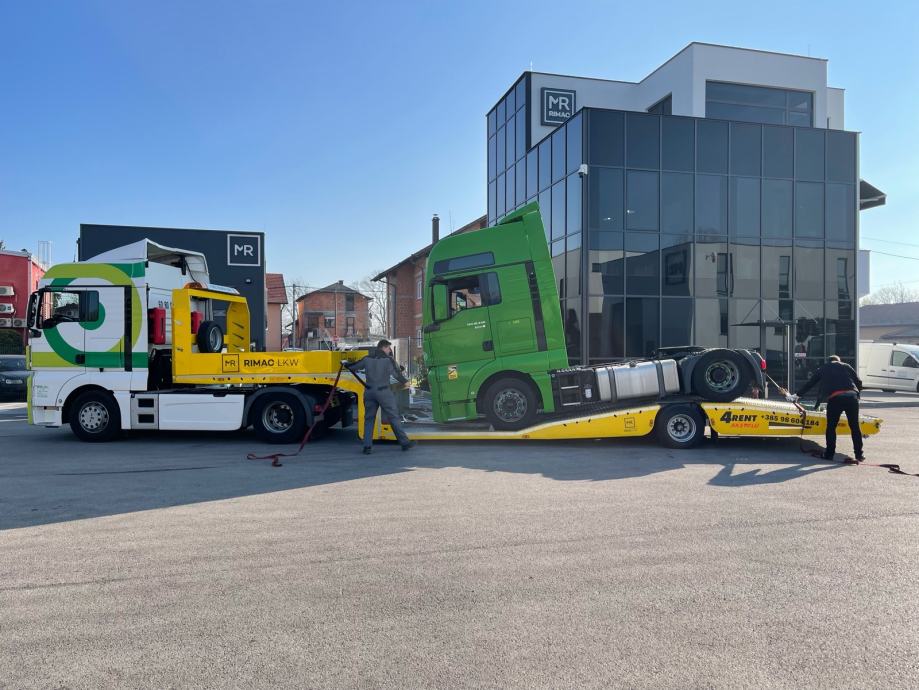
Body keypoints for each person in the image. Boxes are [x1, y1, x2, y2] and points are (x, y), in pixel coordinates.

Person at [788, 355, 864, 460]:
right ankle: (859, 455)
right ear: (839, 361)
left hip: (836, 398)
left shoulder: (823, 368)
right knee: (854, 426)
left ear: (828, 362)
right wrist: (857, 395)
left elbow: (810, 383)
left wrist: (797, 395)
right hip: (852, 397)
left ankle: (829, 454)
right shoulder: (846, 366)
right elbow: (859, 382)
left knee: (831, 427)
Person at [348, 340, 416, 455]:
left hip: (369, 392)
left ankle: (367, 446)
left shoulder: (367, 359)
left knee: (369, 419)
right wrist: (406, 382)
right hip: (384, 393)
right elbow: (396, 374)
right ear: (383, 347)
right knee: (393, 417)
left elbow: (353, 367)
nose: (389, 350)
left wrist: (346, 363)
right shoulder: (387, 360)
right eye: (388, 348)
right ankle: (404, 443)